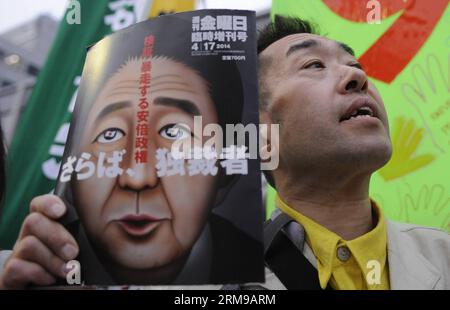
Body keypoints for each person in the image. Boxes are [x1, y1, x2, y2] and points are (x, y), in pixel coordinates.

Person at [0, 14, 263, 288]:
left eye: (174, 132)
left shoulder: (265, 272)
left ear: (227, 167)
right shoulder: (37, 268)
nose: (137, 178)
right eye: (110, 134)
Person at [251, 15, 450, 290]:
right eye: (314, 65)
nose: (358, 76)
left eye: (355, 65)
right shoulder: (211, 284)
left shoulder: (444, 257)